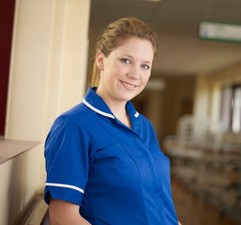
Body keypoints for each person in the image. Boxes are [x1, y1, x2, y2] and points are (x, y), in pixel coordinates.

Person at [44, 17, 181, 225]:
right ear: (101, 60)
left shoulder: (145, 127)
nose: (135, 74)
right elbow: (64, 219)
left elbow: (160, 203)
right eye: (126, 60)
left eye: (145, 66)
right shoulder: (73, 126)